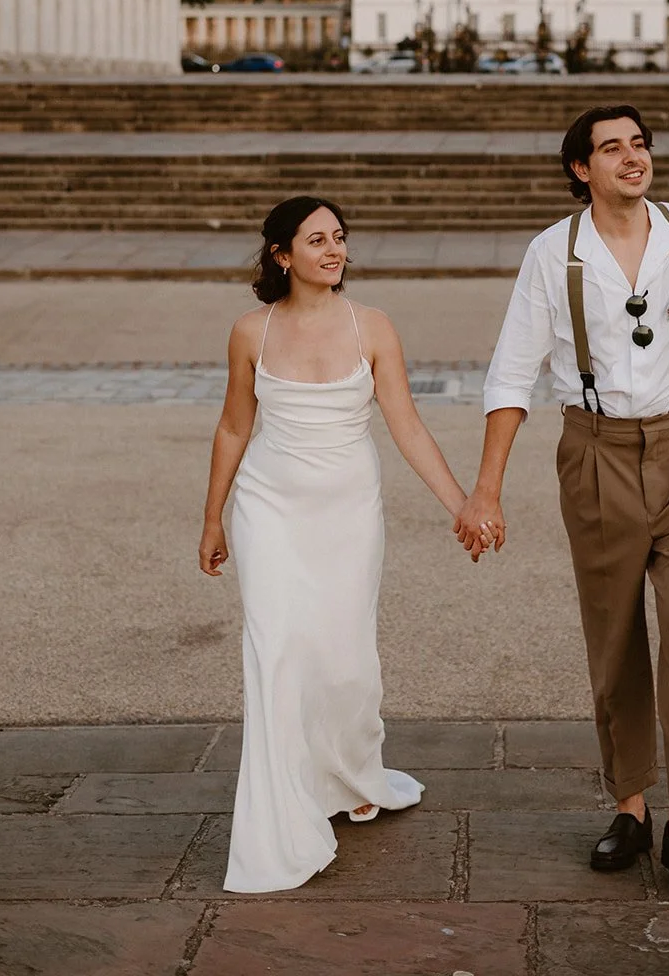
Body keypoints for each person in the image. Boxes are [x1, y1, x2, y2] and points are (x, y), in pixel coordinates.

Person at [455, 104, 669, 899]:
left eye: (639, 144)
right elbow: (510, 372)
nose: (632, 158)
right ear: (579, 169)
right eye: (611, 148)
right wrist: (485, 488)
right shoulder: (549, 254)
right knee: (614, 636)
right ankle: (629, 807)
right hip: (593, 452)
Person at [199, 194, 475, 893]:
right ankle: (282, 811)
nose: (333, 250)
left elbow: (406, 425)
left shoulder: (372, 326)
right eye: (316, 239)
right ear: (281, 255)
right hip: (269, 510)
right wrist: (212, 517)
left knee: (345, 660)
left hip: (348, 513)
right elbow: (234, 428)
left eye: (340, 238)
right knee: (278, 652)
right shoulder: (249, 332)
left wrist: (462, 505)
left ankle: (351, 773)